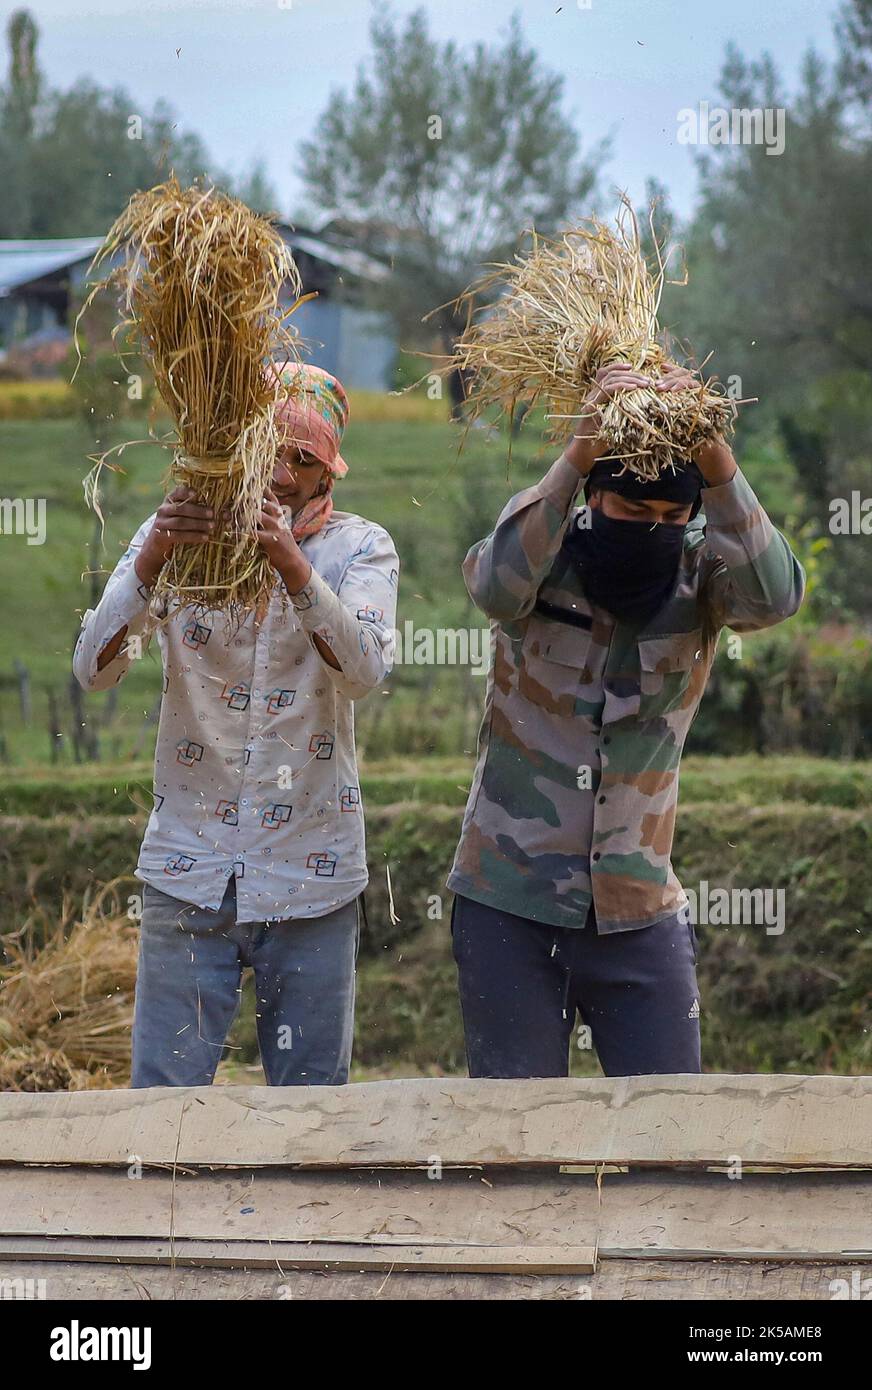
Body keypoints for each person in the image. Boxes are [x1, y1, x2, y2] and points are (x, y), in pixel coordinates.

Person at [447, 362, 805, 1079]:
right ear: (593, 500)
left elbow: (777, 597)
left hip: (640, 912)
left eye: (673, 519)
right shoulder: (543, 564)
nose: (654, 531)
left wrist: (716, 462)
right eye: (633, 514)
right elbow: (493, 584)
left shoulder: (700, 583)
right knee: (517, 1142)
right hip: (510, 906)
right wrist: (581, 447)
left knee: (672, 1142)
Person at [74, 363, 399, 1087]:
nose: (282, 475)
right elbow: (95, 670)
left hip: (311, 872)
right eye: (268, 451)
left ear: (326, 476)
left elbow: (364, 674)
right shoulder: (177, 538)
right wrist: (155, 558)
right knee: (165, 1107)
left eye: (303, 460)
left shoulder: (359, 549)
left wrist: (291, 567)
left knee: (311, 1111)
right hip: (188, 870)